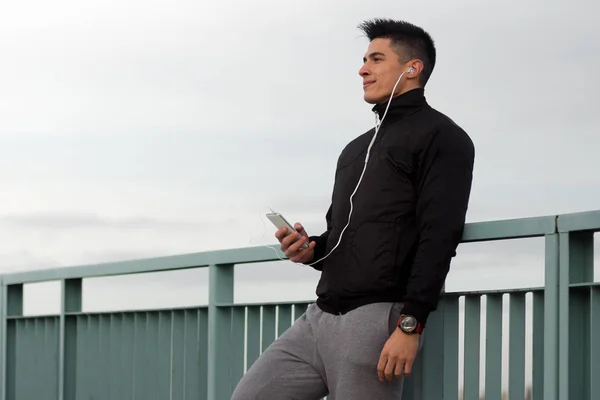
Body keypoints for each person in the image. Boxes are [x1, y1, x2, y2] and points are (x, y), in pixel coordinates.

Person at [231, 18, 474, 400]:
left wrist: (411, 325)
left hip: (374, 320)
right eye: (364, 60)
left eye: (376, 59)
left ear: (413, 68)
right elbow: (345, 234)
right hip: (319, 317)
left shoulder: (444, 137)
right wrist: (310, 249)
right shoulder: (355, 150)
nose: (362, 69)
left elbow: (440, 235)